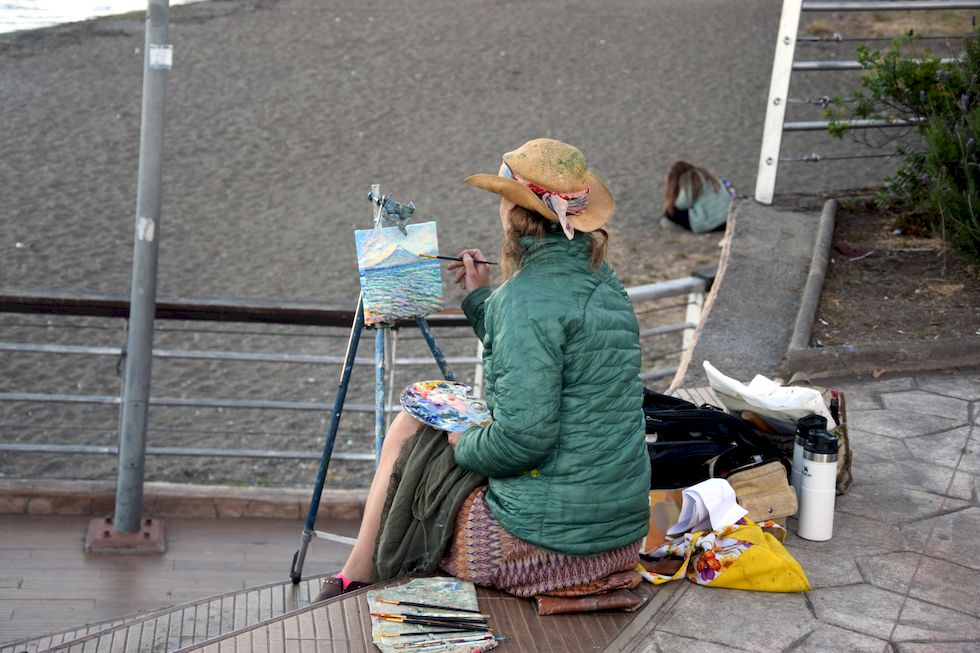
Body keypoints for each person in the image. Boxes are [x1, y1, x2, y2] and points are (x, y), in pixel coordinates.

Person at [314, 138, 651, 602]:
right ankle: (360, 568)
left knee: (414, 429)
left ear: (514, 213)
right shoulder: (604, 282)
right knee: (435, 425)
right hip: (620, 538)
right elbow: (547, 349)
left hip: (547, 549)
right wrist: (480, 299)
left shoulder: (524, 299)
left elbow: (521, 441)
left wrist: (462, 440)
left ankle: (360, 570)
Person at [662, 160, 733, 233]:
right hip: (727, 219)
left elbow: (682, 204)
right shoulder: (706, 175)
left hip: (709, 224)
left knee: (670, 212)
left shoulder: (690, 179)